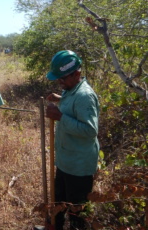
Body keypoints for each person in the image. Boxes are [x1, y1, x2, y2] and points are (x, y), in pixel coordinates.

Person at [45, 50, 100, 229]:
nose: (60, 82)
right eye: (58, 79)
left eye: (63, 78)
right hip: (65, 161)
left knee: (76, 213)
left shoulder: (85, 95)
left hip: (78, 167)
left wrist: (60, 116)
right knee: (59, 204)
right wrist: (60, 99)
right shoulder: (71, 89)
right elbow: (74, 108)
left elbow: (90, 130)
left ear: (76, 73)